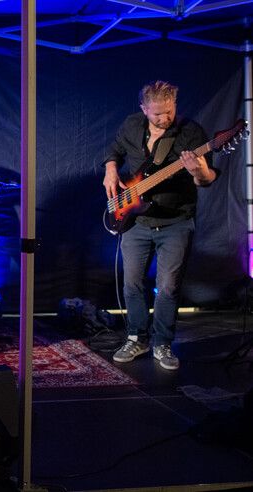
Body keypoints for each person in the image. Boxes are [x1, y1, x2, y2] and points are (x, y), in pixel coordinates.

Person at [102, 80, 217, 371]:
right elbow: (113, 151)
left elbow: (207, 179)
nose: (164, 118)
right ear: (143, 109)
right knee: (132, 283)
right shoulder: (131, 126)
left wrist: (199, 170)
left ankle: (162, 343)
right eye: (157, 114)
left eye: (169, 111)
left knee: (167, 287)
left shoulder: (191, 133)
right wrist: (111, 169)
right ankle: (136, 338)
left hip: (176, 221)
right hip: (136, 220)